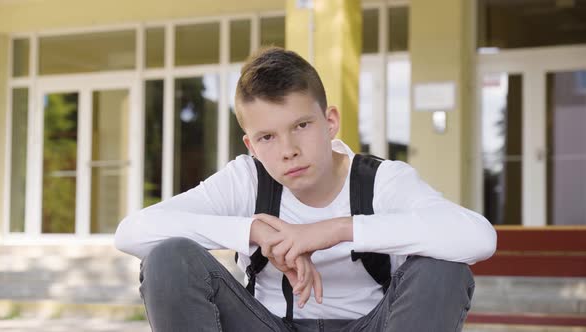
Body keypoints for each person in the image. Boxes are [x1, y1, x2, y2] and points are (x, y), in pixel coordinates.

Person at [114, 46, 497, 332]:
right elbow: (131, 232)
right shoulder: (247, 179)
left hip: (370, 326)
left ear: (330, 121)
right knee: (169, 257)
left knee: (441, 265)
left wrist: (335, 230)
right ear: (250, 144)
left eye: (301, 125)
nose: (288, 150)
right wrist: (254, 232)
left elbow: (478, 237)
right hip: (267, 324)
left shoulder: (381, 181)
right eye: (266, 136)